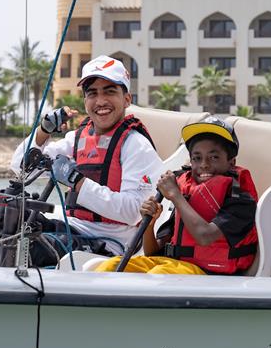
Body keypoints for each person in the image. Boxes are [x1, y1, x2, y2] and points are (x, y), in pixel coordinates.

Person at [0, 55, 163, 266]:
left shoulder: (136, 146)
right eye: (92, 93)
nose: (100, 101)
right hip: (70, 228)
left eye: (110, 91)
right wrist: (43, 131)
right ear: (85, 100)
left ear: (127, 99)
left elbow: (134, 212)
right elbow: (20, 168)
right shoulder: (78, 138)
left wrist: (77, 181)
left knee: (26, 245)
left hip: (109, 244)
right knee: (0, 213)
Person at [96, 116, 259, 275]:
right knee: (110, 266)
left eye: (214, 157)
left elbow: (205, 236)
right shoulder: (189, 191)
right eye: (197, 158)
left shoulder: (240, 198)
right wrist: (149, 226)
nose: (204, 164)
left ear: (231, 162)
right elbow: (153, 253)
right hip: (174, 265)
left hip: (209, 273)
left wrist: (175, 195)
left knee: (159, 275)